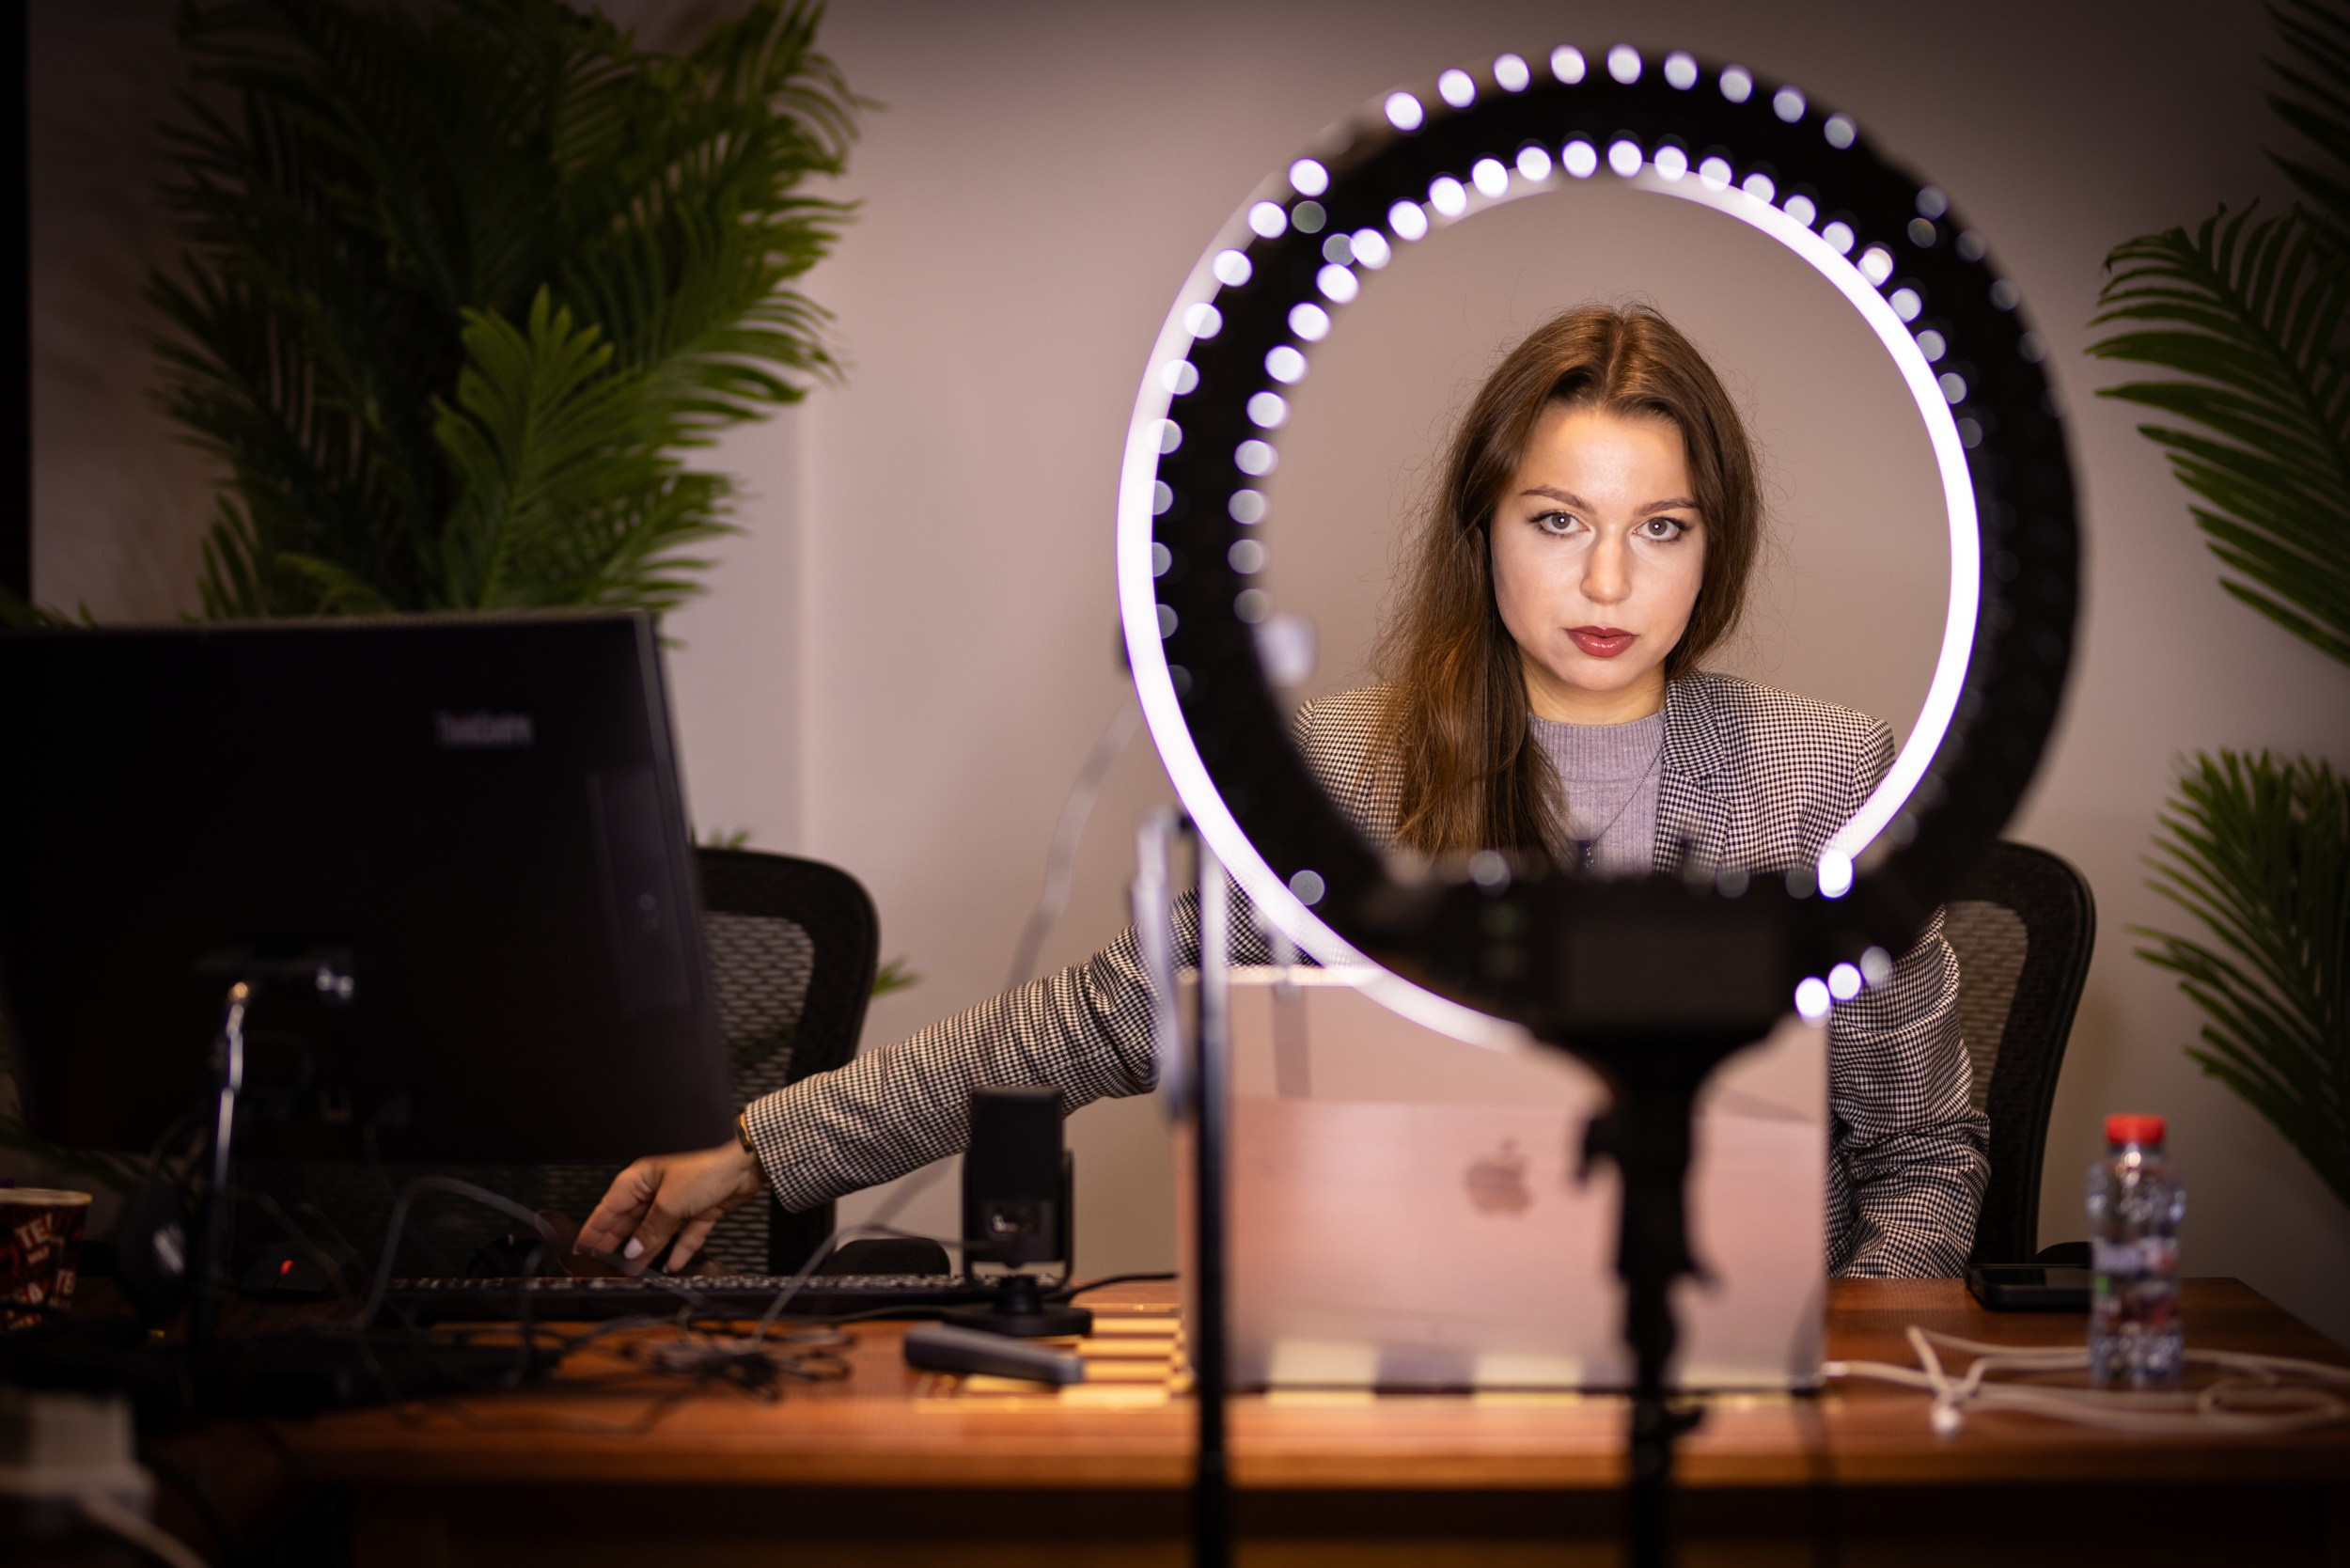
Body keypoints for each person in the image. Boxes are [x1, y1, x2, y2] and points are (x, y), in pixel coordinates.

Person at [577, 305, 1988, 1280]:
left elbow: (1926, 1156)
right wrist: (762, 1149)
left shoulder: (1828, 778)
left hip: (1743, 1392)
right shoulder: (1340, 772)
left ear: (1711, 544)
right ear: (1482, 529)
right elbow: (1097, 1022)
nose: (1610, 583)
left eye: (1660, 529)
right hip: (1413, 1374)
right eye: (1559, 522)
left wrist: (1842, 1358)